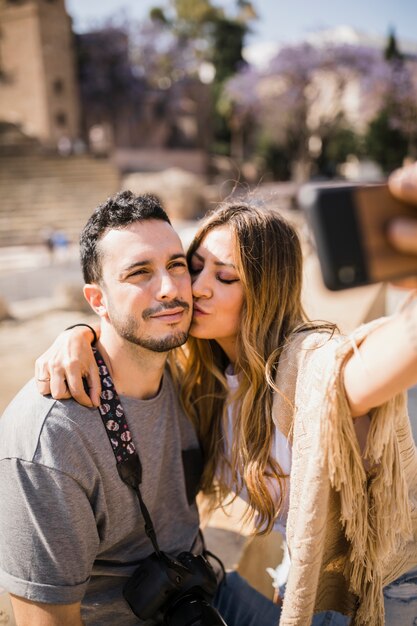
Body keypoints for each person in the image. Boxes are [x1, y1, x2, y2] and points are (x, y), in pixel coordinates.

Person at [33, 163, 417, 626]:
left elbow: (377, 358)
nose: (195, 288)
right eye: (193, 268)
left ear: (264, 290)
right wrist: (78, 334)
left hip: (387, 591)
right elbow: (130, 332)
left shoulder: (304, 367)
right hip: (301, 582)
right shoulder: (203, 373)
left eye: (226, 277)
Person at [0, 191, 285, 626]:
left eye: (176, 265)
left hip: (204, 592)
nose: (171, 289)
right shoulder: (52, 440)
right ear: (97, 301)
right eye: (139, 273)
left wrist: (77, 333)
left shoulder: (189, 371)